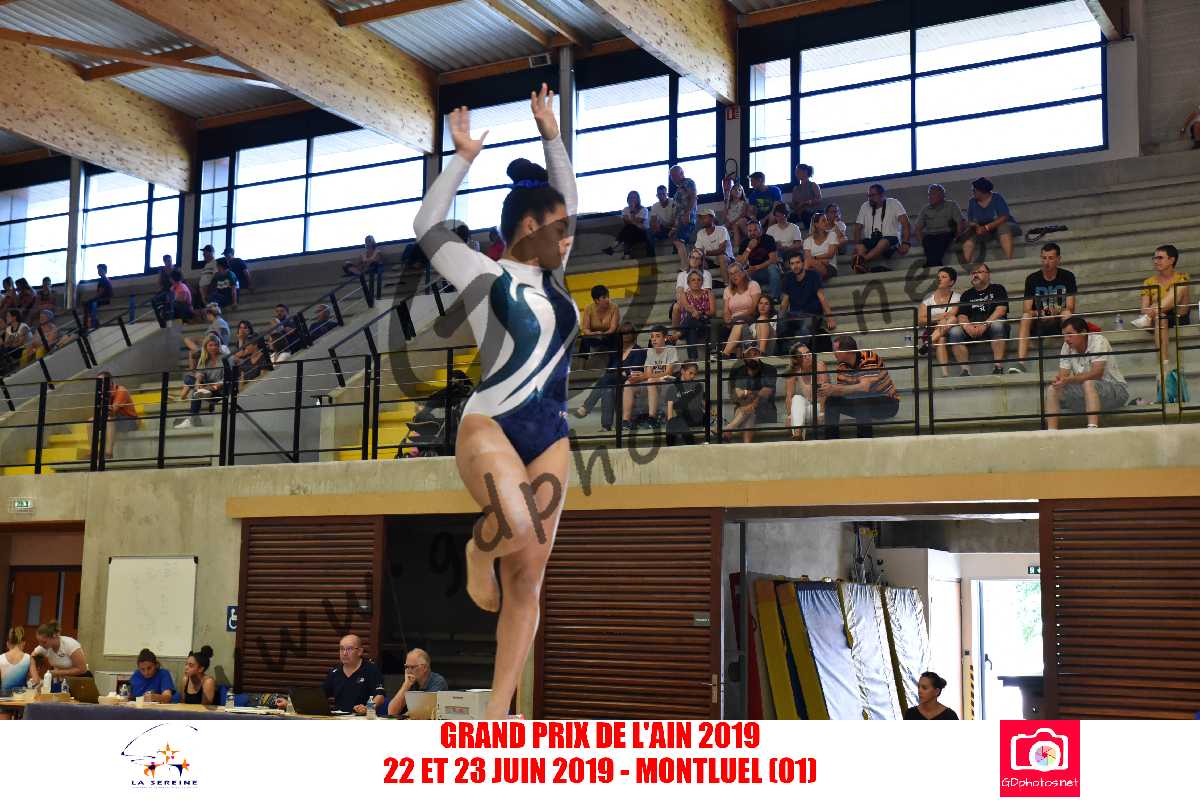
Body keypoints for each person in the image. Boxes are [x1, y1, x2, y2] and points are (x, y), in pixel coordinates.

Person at [413, 84, 577, 720]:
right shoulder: (483, 273)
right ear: (530, 229)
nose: (570, 236)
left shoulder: (556, 283)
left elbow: (569, 198)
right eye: (560, 228)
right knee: (516, 523)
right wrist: (461, 159)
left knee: (529, 577)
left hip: (551, 433)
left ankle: (499, 715)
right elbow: (426, 226)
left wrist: (552, 137)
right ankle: (475, 551)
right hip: (491, 423)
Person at [1046, 316, 1129, 430]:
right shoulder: (1066, 346)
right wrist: (1059, 381)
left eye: (1070, 335)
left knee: (1088, 383)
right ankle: (1051, 432)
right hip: (1085, 393)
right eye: (1064, 335)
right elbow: (1063, 376)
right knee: (1053, 389)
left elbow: (1097, 374)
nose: (1066, 339)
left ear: (1083, 333)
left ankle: (1092, 429)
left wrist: (1068, 380)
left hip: (1116, 391)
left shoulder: (1098, 340)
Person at [274, 634, 385, 715]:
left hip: (361, 719)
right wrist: (290, 703)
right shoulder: (335, 672)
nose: (344, 653)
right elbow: (319, 697)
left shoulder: (371, 669)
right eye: (341, 649)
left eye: (349, 649)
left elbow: (380, 696)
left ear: (360, 651)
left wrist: (368, 708)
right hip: (339, 718)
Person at [1012, 242, 1077, 371]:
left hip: (1059, 320)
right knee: (1025, 317)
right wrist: (1041, 313)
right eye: (1044, 258)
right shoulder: (1032, 279)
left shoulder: (1068, 276)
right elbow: (1026, 309)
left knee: (1067, 314)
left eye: (1050, 258)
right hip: (1039, 320)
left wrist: (1055, 311)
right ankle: (1021, 363)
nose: (1046, 262)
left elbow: (1070, 307)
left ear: (1058, 259)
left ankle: (1072, 360)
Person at [820, 334, 900, 439]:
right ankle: (831, 440)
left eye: (836, 350)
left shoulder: (869, 357)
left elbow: (865, 388)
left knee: (861, 401)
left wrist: (835, 389)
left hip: (887, 403)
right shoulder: (842, 366)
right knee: (832, 400)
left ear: (848, 351)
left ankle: (864, 441)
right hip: (861, 402)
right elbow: (842, 392)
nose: (833, 353)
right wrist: (829, 390)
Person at [573, 323, 643, 431]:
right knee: (607, 390)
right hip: (612, 380)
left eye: (628, 332)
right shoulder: (616, 349)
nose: (625, 334)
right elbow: (595, 343)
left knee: (606, 379)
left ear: (634, 334)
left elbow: (636, 370)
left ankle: (586, 407)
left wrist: (623, 372)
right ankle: (606, 426)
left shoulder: (639, 351)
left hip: (628, 381)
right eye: (623, 332)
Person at [950, 263, 1010, 375]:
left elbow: (1001, 310)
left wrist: (985, 324)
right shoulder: (967, 294)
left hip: (991, 324)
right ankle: (965, 370)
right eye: (973, 273)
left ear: (988, 274)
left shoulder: (998, 289)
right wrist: (967, 326)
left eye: (979, 272)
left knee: (997, 325)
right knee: (954, 332)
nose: (975, 275)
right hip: (972, 327)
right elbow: (962, 315)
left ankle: (998, 366)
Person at [1137, 244, 1190, 370]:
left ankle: (1153, 312)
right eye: (1154, 258)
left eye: (1160, 258)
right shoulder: (1149, 282)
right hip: (1157, 318)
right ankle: (1164, 364)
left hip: (1178, 314)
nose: (1156, 261)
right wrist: (1154, 311)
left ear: (1171, 260)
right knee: (1161, 317)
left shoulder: (1182, 277)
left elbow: (1178, 303)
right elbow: (1143, 308)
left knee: (1180, 287)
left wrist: (1153, 308)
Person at [850, 184, 911, 273]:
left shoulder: (893, 203)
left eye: (872, 195)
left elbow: (906, 223)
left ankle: (862, 261)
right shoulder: (865, 206)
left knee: (883, 242)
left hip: (890, 240)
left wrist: (905, 243)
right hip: (871, 241)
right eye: (868, 195)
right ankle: (863, 266)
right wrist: (856, 245)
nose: (870, 198)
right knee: (859, 247)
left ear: (882, 195)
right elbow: (857, 228)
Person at [725, 341, 777, 443]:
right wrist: (751, 397)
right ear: (744, 356)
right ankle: (747, 445)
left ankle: (729, 428)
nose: (753, 357)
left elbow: (766, 392)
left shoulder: (770, 369)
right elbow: (736, 395)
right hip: (743, 410)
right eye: (749, 354)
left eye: (755, 354)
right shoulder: (737, 371)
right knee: (749, 413)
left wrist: (747, 394)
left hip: (766, 410)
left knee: (748, 410)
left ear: (760, 354)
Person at [779, 253, 835, 347]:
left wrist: (830, 318)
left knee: (804, 328)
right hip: (795, 315)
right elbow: (785, 302)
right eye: (792, 264)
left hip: (812, 314)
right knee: (780, 322)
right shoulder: (788, 278)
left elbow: (822, 298)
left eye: (797, 262)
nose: (795, 266)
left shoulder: (814, 275)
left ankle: (798, 350)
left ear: (803, 263)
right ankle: (784, 350)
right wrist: (779, 318)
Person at [919, 267, 961, 379]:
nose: (939, 279)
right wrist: (938, 318)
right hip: (932, 330)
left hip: (951, 328)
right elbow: (921, 320)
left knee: (953, 319)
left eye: (943, 277)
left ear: (951, 282)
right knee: (941, 339)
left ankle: (928, 343)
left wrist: (938, 318)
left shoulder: (957, 297)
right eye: (938, 277)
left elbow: (952, 314)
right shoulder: (928, 300)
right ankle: (945, 374)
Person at [962, 177, 1017, 262]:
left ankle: (1009, 260)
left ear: (982, 191)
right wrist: (975, 226)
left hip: (1001, 225)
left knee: (1003, 227)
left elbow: (1004, 216)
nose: (973, 192)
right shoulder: (972, 202)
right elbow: (970, 221)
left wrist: (986, 227)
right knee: (969, 234)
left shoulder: (997, 197)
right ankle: (966, 263)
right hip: (983, 230)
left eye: (974, 190)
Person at [175, 336, 224, 428]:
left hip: (218, 390)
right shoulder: (204, 359)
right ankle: (201, 393)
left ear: (219, 346)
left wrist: (212, 387)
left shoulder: (225, 358)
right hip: (206, 387)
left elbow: (226, 380)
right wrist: (198, 383)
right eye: (210, 345)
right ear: (206, 347)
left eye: (216, 345)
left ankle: (193, 420)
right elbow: (200, 374)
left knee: (195, 393)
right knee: (189, 379)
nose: (213, 347)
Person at [912, 184, 965, 268]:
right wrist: (921, 241)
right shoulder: (925, 209)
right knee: (927, 241)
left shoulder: (951, 205)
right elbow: (917, 228)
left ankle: (930, 264)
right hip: (930, 235)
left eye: (933, 194)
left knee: (939, 241)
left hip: (946, 233)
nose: (930, 197)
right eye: (929, 194)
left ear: (942, 195)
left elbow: (960, 222)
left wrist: (958, 237)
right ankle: (936, 265)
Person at [386, 648, 449, 717]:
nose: (408, 671)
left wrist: (406, 715)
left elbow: (425, 711)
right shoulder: (408, 681)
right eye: (406, 667)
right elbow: (391, 712)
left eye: (412, 667)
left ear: (424, 668)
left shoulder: (438, 682)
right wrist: (406, 685)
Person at [784, 342, 828, 440]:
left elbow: (824, 391)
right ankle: (798, 433)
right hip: (803, 410)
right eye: (803, 356)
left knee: (797, 415)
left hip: (819, 407)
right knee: (796, 398)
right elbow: (789, 396)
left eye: (808, 353)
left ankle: (797, 433)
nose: (807, 357)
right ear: (796, 359)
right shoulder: (794, 370)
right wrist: (789, 415)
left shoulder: (819, 365)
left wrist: (822, 412)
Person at [94, 371, 139, 459]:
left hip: (130, 420)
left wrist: (104, 402)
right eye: (98, 382)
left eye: (102, 381)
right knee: (91, 421)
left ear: (110, 381)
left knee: (109, 420)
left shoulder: (121, 390)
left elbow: (112, 411)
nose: (100, 384)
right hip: (115, 419)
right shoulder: (102, 393)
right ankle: (93, 452)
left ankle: (108, 453)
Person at [673, 267, 714, 361]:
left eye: (699, 280)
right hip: (690, 324)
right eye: (693, 280)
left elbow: (712, 312)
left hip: (703, 323)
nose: (696, 282)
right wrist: (694, 312)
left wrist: (700, 313)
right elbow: (687, 307)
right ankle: (693, 359)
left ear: (702, 282)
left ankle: (679, 333)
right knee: (692, 327)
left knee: (692, 321)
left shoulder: (709, 294)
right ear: (688, 283)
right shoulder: (684, 295)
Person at [722, 263, 762, 357]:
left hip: (751, 317)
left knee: (739, 322)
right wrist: (727, 320)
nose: (733, 276)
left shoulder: (753, 285)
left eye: (736, 272)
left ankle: (725, 353)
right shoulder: (727, 290)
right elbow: (726, 311)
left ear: (743, 273)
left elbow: (754, 307)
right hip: (734, 321)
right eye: (731, 274)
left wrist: (736, 318)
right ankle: (736, 354)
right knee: (739, 324)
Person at [735, 218, 779, 301]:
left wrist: (757, 267)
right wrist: (749, 248)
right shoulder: (744, 243)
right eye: (750, 231)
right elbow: (739, 264)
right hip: (753, 272)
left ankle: (775, 298)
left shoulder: (768, 239)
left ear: (760, 230)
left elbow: (773, 259)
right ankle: (751, 300)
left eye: (755, 230)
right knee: (742, 273)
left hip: (767, 270)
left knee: (773, 268)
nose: (752, 233)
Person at [642, 325, 678, 425]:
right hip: (655, 381)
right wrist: (645, 376)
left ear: (665, 338)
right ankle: (626, 421)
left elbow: (668, 372)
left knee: (650, 381)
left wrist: (648, 376)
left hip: (669, 380)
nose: (654, 339)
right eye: (652, 336)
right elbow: (648, 373)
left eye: (657, 336)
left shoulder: (670, 349)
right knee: (628, 384)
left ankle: (651, 417)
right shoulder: (650, 351)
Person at [664, 361, 706, 445]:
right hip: (683, 419)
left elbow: (705, 404)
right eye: (690, 373)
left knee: (678, 421)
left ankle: (690, 445)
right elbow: (669, 413)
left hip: (697, 417)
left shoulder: (698, 385)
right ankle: (676, 447)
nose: (693, 376)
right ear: (682, 371)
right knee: (673, 423)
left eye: (694, 374)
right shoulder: (672, 388)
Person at [577, 285, 620, 360]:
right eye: (604, 297)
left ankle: (614, 362)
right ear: (596, 300)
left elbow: (613, 328)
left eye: (608, 296)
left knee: (616, 337)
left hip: (610, 335)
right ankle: (582, 362)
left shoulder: (614, 307)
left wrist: (603, 335)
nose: (607, 299)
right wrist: (594, 334)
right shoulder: (588, 308)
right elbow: (585, 329)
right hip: (595, 336)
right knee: (584, 339)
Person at [604, 190, 651, 259]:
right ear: (628, 199)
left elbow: (638, 221)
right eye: (630, 197)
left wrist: (632, 211)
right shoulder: (625, 210)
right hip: (631, 233)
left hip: (642, 234)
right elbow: (627, 221)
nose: (632, 199)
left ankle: (613, 247)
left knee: (630, 227)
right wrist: (635, 222)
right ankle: (627, 255)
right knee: (629, 229)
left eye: (634, 197)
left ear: (638, 199)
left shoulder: (644, 210)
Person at [692, 208, 733, 285]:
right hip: (711, 260)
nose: (702, 220)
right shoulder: (700, 233)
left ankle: (727, 285)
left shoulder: (722, 230)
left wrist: (705, 252)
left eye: (704, 217)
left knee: (721, 257)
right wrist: (701, 255)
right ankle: (705, 286)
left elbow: (722, 250)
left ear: (712, 218)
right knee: (698, 259)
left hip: (726, 259)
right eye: (701, 218)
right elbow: (698, 250)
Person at [801, 211, 846, 281]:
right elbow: (808, 257)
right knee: (811, 270)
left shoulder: (832, 235)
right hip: (814, 267)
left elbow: (830, 254)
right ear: (816, 224)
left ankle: (801, 282)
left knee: (808, 264)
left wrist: (815, 257)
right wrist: (822, 260)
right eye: (823, 221)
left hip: (829, 267)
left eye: (826, 220)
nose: (827, 222)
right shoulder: (808, 240)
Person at [668, 164, 698, 266]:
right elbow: (677, 209)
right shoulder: (678, 189)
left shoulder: (688, 182)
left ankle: (685, 266)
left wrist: (687, 213)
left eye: (674, 175)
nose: (673, 178)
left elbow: (693, 197)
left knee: (678, 241)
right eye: (671, 176)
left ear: (681, 173)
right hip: (679, 221)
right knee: (680, 242)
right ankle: (689, 265)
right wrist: (674, 227)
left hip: (687, 219)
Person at [184, 304, 229, 369]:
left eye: (207, 315)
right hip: (209, 343)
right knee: (188, 340)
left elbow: (217, 338)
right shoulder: (215, 323)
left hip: (216, 346)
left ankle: (193, 368)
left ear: (210, 314)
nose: (206, 317)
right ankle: (197, 352)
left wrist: (206, 341)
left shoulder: (219, 322)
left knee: (191, 351)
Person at [788, 163, 822, 229]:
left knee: (806, 214)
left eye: (798, 171)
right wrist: (793, 207)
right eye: (796, 172)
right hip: (798, 212)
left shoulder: (813, 185)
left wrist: (806, 202)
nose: (796, 173)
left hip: (810, 212)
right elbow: (793, 204)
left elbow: (819, 200)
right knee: (790, 217)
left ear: (805, 172)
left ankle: (811, 231)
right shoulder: (795, 188)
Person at [723, 180, 753, 252]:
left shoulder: (743, 203)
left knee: (735, 225)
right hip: (730, 221)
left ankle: (736, 247)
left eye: (739, 190)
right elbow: (725, 215)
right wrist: (727, 222)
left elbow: (743, 214)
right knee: (722, 228)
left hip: (739, 220)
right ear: (731, 192)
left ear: (742, 192)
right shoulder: (728, 204)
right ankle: (723, 248)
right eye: (735, 189)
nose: (737, 191)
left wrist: (733, 222)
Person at [0, 626, 30, 694]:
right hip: (21, 696)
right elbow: (36, 680)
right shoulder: (28, 658)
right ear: (24, 643)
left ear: (7, 643)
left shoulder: (0, 658)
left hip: (4, 696)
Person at [84, 263, 113, 329]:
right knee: (88, 303)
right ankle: (93, 322)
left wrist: (91, 299)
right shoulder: (105, 279)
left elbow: (100, 293)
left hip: (104, 300)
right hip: (104, 299)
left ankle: (91, 324)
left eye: (100, 270)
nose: (98, 271)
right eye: (98, 270)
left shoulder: (103, 279)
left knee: (87, 304)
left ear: (105, 271)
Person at [648, 184, 674, 250]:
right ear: (657, 195)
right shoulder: (655, 206)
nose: (661, 196)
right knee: (649, 231)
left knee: (677, 229)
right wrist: (655, 225)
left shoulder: (673, 202)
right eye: (659, 194)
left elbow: (677, 218)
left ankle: (676, 252)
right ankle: (651, 254)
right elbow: (652, 221)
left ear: (667, 194)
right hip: (662, 229)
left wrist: (670, 226)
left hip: (673, 228)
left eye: (663, 194)